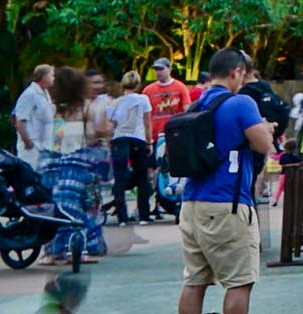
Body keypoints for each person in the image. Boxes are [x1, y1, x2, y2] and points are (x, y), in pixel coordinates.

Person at [176, 48, 275, 314]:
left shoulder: (198, 103)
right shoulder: (241, 103)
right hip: (227, 204)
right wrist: (267, 128)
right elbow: (263, 145)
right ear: (236, 72)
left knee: (195, 282)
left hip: (191, 203)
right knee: (239, 282)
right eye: (244, 75)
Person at [41, 68, 109, 262]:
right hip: (81, 164)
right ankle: (83, 248)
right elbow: (91, 136)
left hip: (54, 164)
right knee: (87, 205)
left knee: (57, 207)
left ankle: (55, 250)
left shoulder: (53, 108)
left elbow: (55, 139)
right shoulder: (89, 107)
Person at [105, 70, 155, 222]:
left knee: (119, 177)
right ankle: (144, 215)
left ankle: (122, 216)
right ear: (138, 84)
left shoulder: (114, 102)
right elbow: (147, 122)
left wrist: (109, 142)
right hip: (137, 137)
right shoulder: (143, 99)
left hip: (119, 138)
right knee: (142, 177)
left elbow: (110, 124)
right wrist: (149, 141)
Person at [12, 64, 56, 170]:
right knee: (29, 174)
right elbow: (19, 120)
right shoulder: (30, 94)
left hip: (45, 144)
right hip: (32, 145)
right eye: (51, 75)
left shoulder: (45, 94)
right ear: (43, 77)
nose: (53, 78)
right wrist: (27, 141)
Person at [142, 59, 196, 145]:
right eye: (156, 69)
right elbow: (144, 115)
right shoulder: (148, 90)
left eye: (161, 69)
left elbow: (187, 110)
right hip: (155, 136)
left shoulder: (180, 87)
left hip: (175, 133)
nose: (158, 72)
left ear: (169, 69)